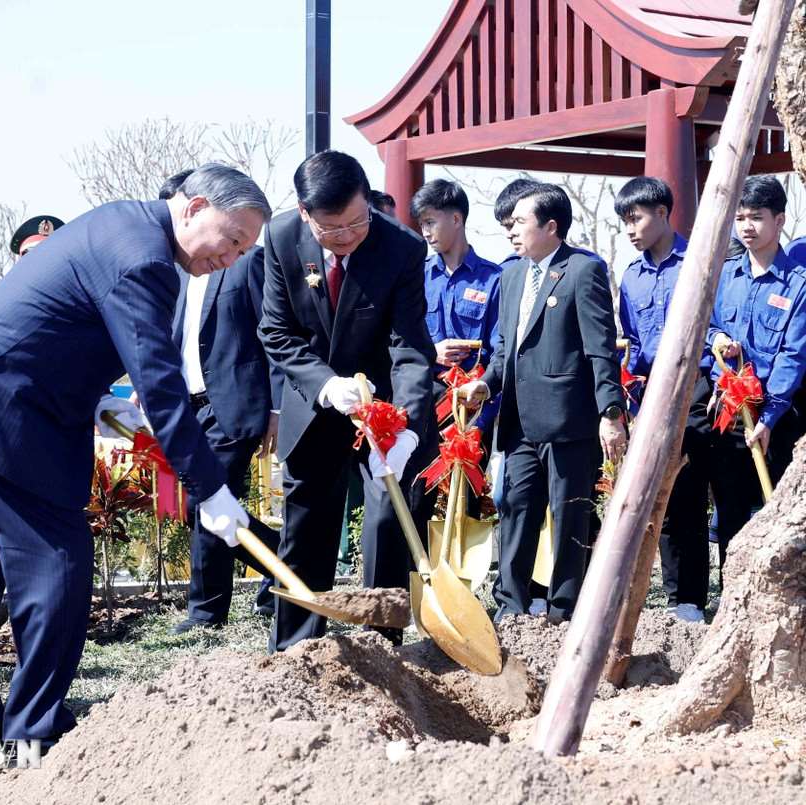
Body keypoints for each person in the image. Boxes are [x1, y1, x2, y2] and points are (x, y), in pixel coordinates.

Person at [0, 164, 272, 742]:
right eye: (232, 240)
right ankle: (35, 732)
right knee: (58, 568)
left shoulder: (124, 221)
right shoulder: (146, 259)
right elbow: (160, 381)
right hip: (4, 411)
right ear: (196, 206)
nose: (231, 257)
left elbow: (63, 320)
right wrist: (210, 488)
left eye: (245, 248)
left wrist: (99, 396)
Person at [259, 150, 435, 650]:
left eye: (357, 223)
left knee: (386, 516)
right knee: (308, 523)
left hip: (380, 408)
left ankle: (383, 644)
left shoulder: (400, 247)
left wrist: (406, 426)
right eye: (331, 230)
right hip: (315, 405)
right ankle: (297, 648)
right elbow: (275, 330)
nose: (347, 237)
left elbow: (409, 346)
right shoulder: (280, 237)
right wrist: (324, 383)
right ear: (304, 213)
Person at [462, 184, 625, 623]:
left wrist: (610, 413)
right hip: (517, 420)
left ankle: (564, 609)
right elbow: (504, 348)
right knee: (515, 509)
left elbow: (600, 349)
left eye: (519, 222)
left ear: (551, 226)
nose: (512, 232)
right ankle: (511, 607)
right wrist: (485, 384)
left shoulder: (582, 270)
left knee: (569, 515)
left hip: (569, 419)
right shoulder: (512, 274)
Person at [161, 170, 282, 633]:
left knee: (203, 499)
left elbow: (273, 333)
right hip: (187, 401)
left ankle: (206, 612)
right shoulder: (174, 267)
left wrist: (274, 407)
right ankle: (280, 559)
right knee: (204, 502)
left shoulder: (245, 262)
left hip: (233, 401)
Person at [615, 177, 711, 623]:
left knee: (690, 491)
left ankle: (693, 598)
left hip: (695, 386)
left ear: (662, 212)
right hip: (649, 389)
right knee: (662, 497)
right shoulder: (631, 276)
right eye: (624, 222)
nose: (630, 229)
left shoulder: (698, 261)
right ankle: (674, 597)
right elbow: (632, 339)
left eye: (635, 218)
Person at [707, 175, 806, 570]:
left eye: (757, 218)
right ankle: (732, 594)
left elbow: (793, 356)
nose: (747, 227)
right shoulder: (726, 276)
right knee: (729, 509)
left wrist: (767, 419)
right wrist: (718, 342)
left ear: (779, 220)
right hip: (731, 412)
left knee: (778, 510)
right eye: (741, 217)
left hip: (778, 418)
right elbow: (709, 328)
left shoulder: (799, 285)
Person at [411, 178, 502, 447]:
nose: (425, 232)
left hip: (473, 405)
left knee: (468, 490)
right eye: (422, 224)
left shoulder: (494, 279)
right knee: (418, 488)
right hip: (424, 405)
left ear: (455, 218)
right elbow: (398, 340)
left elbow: (501, 351)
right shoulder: (416, 276)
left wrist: (482, 419)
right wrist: (431, 351)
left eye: (430, 222)